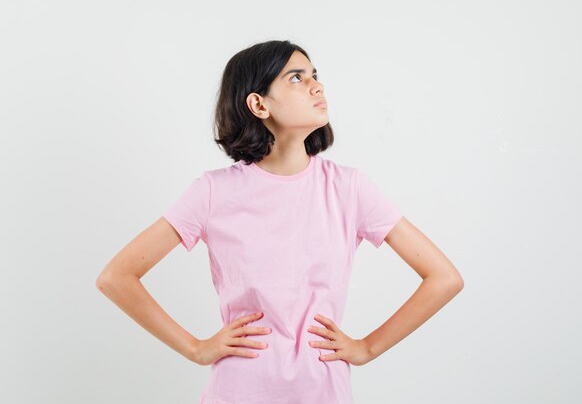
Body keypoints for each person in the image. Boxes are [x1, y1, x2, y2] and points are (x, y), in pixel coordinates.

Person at [96, 39, 464, 404]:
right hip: (238, 391)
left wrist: (367, 347)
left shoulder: (348, 188)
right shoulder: (213, 192)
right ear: (258, 104)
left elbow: (444, 278)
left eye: (314, 75)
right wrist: (195, 348)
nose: (316, 86)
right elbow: (117, 277)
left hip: (323, 392)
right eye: (296, 78)